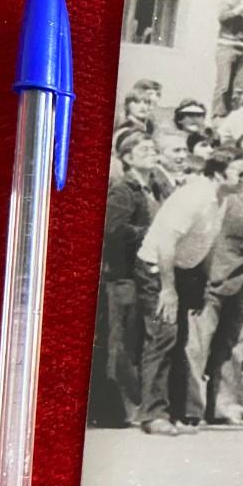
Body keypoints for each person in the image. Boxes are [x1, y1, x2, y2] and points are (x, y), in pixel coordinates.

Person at [133, 151, 243, 436]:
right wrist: (168, 290)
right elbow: (165, 244)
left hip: (186, 272)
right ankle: (153, 415)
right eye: (239, 172)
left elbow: (204, 245)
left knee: (182, 339)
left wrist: (199, 282)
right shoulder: (195, 197)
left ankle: (174, 412)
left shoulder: (220, 199)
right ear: (219, 174)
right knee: (163, 337)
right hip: (157, 269)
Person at [184, 149, 243, 426]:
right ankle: (191, 409)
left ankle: (225, 406)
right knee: (199, 344)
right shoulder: (224, 192)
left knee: (234, 345)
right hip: (214, 274)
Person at [95, 132, 158, 425]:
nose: (152, 153)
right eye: (144, 149)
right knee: (119, 343)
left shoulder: (152, 187)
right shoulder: (123, 189)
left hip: (142, 277)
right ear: (128, 157)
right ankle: (117, 409)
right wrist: (146, 233)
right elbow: (112, 229)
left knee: (133, 341)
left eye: (153, 148)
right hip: (123, 277)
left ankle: (132, 406)